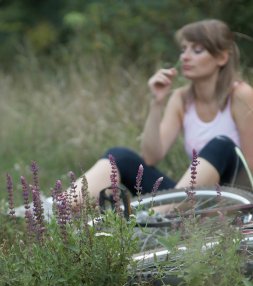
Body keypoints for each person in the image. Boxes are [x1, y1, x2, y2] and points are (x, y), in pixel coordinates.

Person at [14, 19, 253, 218]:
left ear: (221, 57)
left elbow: (249, 169)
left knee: (222, 145)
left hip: (234, 201)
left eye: (197, 50)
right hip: (190, 201)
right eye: (183, 49)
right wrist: (156, 102)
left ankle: (152, 221)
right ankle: (52, 211)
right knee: (120, 156)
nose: (185, 57)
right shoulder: (181, 99)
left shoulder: (241, 95)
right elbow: (151, 156)